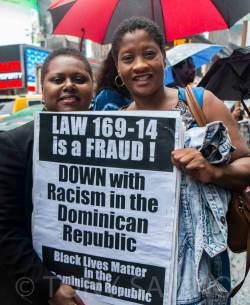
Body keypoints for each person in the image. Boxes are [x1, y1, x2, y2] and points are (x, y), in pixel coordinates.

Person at [111, 16, 250, 304]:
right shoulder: (117, 124)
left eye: (149, 54)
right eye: (128, 58)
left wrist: (213, 172)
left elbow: (248, 166)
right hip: (141, 268)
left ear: (163, 57)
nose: (140, 65)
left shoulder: (201, 102)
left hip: (203, 267)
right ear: (118, 68)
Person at [0, 48, 93, 305]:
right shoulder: (13, 145)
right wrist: (50, 288)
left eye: (79, 79)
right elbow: (6, 231)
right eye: (57, 79)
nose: (69, 86)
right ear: (44, 90)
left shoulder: (119, 147)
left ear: (92, 90)